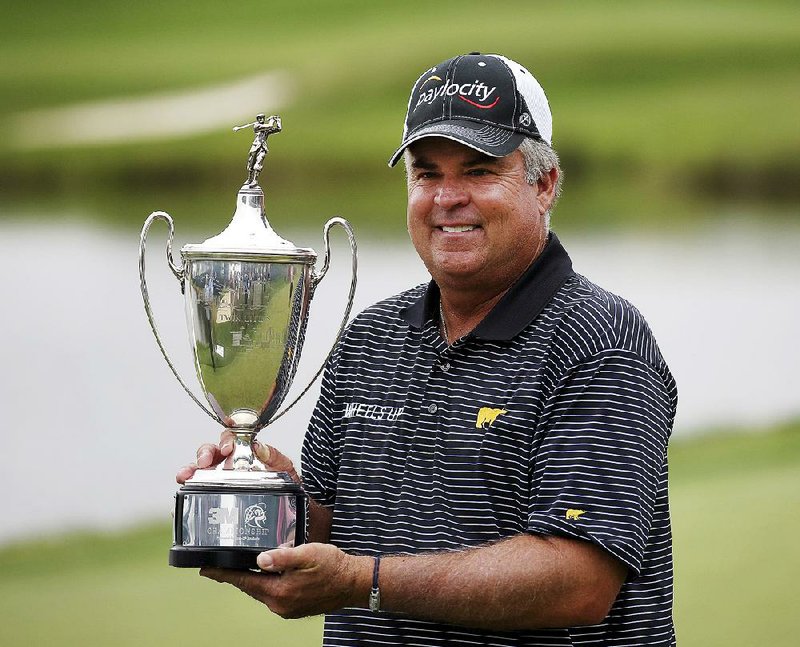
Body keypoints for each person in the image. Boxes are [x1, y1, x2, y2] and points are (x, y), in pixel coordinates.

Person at [180, 53, 677, 646]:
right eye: (427, 173)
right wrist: (268, 496)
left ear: (543, 184)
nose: (447, 198)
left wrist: (362, 582)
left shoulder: (599, 341)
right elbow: (340, 530)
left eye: (478, 170)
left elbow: (577, 580)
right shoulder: (371, 337)